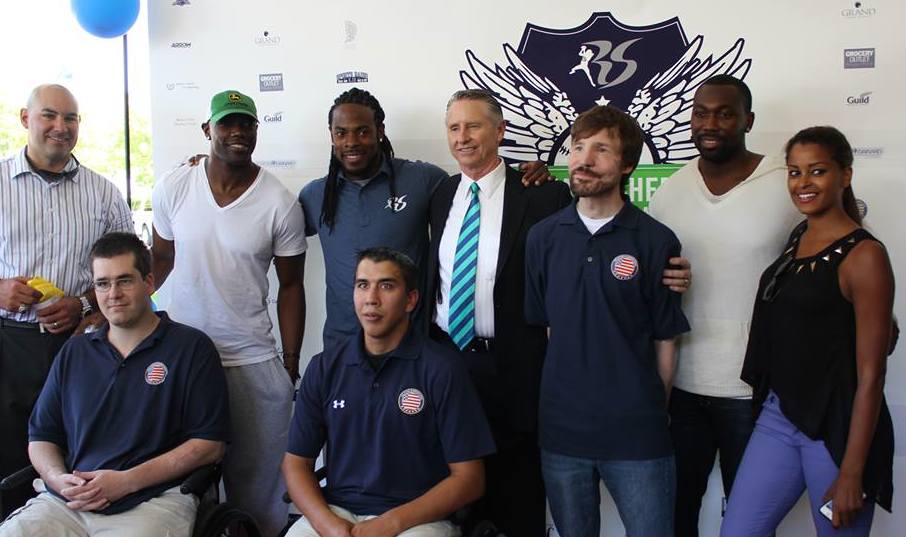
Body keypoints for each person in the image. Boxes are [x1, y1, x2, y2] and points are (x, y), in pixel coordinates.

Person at [647, 74, 802, 536]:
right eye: (701, 112)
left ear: (748, 120)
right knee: (676, 516)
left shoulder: (785, 181)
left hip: (754, 390)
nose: (710, 123)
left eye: (725, 113)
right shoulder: (671, 190)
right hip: (682, 388)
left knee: (748, 524)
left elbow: (839, 250)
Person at [524, 104, 690, 537]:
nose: (584, 159)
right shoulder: (542, 238)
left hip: (638, 434)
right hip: (562, 434)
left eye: (601, 150)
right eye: (578, 147)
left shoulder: (656, 240)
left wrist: (653, 409)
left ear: (628, 165)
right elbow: (547, 329)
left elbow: (666, 340)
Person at [720, 126, 894, 537]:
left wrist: (852, 472)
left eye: (817, 171)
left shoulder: (864, 256)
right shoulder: (799, 236)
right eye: (794, 172)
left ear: (845, 175)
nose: (803, 183)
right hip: (779, 418)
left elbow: (872, 374)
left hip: (837, 428)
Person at [0, 232, 230, 536]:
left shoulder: (190, 348)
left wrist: (127, 481)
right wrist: (57, 478)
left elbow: (208, 446)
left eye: (125, 281)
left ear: (149, 282)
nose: (113, 294)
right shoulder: (75, 351)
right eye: (103, 284)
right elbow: (41, 437)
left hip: (152, 500)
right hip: (69, 502)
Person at [152, 90, 307, 536]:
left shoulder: (279, 202)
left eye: (247, 124)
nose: (237, 132)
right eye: (227, 123)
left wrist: (290, 363)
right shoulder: (174, 186)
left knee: (258, 488)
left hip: (251, 357)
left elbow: (292, 285)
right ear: (208, 130)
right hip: (181, 355)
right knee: (181, 482)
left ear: (257, 130)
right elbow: (159, 262)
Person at [298, 87, 553, 351]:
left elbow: (481, 182)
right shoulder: (315, 195)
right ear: (331, 136)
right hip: (342, 347)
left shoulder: (424, 180)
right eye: (341, 133)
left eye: (362, 131)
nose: (351, 142)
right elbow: (280, 243)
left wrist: (534, 174)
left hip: (413, 346)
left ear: (380, 131)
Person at [425, 89, 572, 537]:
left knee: (518, 497)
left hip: (513, 369)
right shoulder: (441, 193)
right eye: (454, 127)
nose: (462, 137)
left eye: (474, 126)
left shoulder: (543, 195)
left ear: (501, 130)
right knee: (451, 497)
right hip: (448, 365)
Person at [283, 247, 495, 537]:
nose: (371, 298)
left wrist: (390, 524)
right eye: (362, 285)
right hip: (338, 513)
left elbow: (470, 479)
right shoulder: (325, 367)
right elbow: (296, 464)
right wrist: (328, 526)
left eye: (386, 286)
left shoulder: (442, 369)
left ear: (411, 300)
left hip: (418, 519)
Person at [0, 84, 133, 516]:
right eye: (49, 116)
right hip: (9, 344)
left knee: (79, 452)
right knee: (8, 457)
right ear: (25, 118)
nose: (61, 127)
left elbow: (127, 273)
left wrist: (87, 304)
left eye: (71, 118)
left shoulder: (104, 193)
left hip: (80, 344)